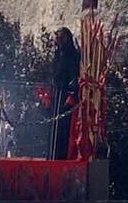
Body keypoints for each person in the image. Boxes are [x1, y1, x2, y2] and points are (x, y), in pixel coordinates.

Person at [49, 27, 80, 160]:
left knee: (64, 128)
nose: (59, 41)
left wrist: (71, 94)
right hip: (57, 93)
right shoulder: (57, 54)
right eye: (58, 39)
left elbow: (74, 75)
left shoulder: (73, 55)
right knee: (54, 127)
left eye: (61, 38)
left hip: (66, 95)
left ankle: (62, 156)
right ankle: (53, 155)